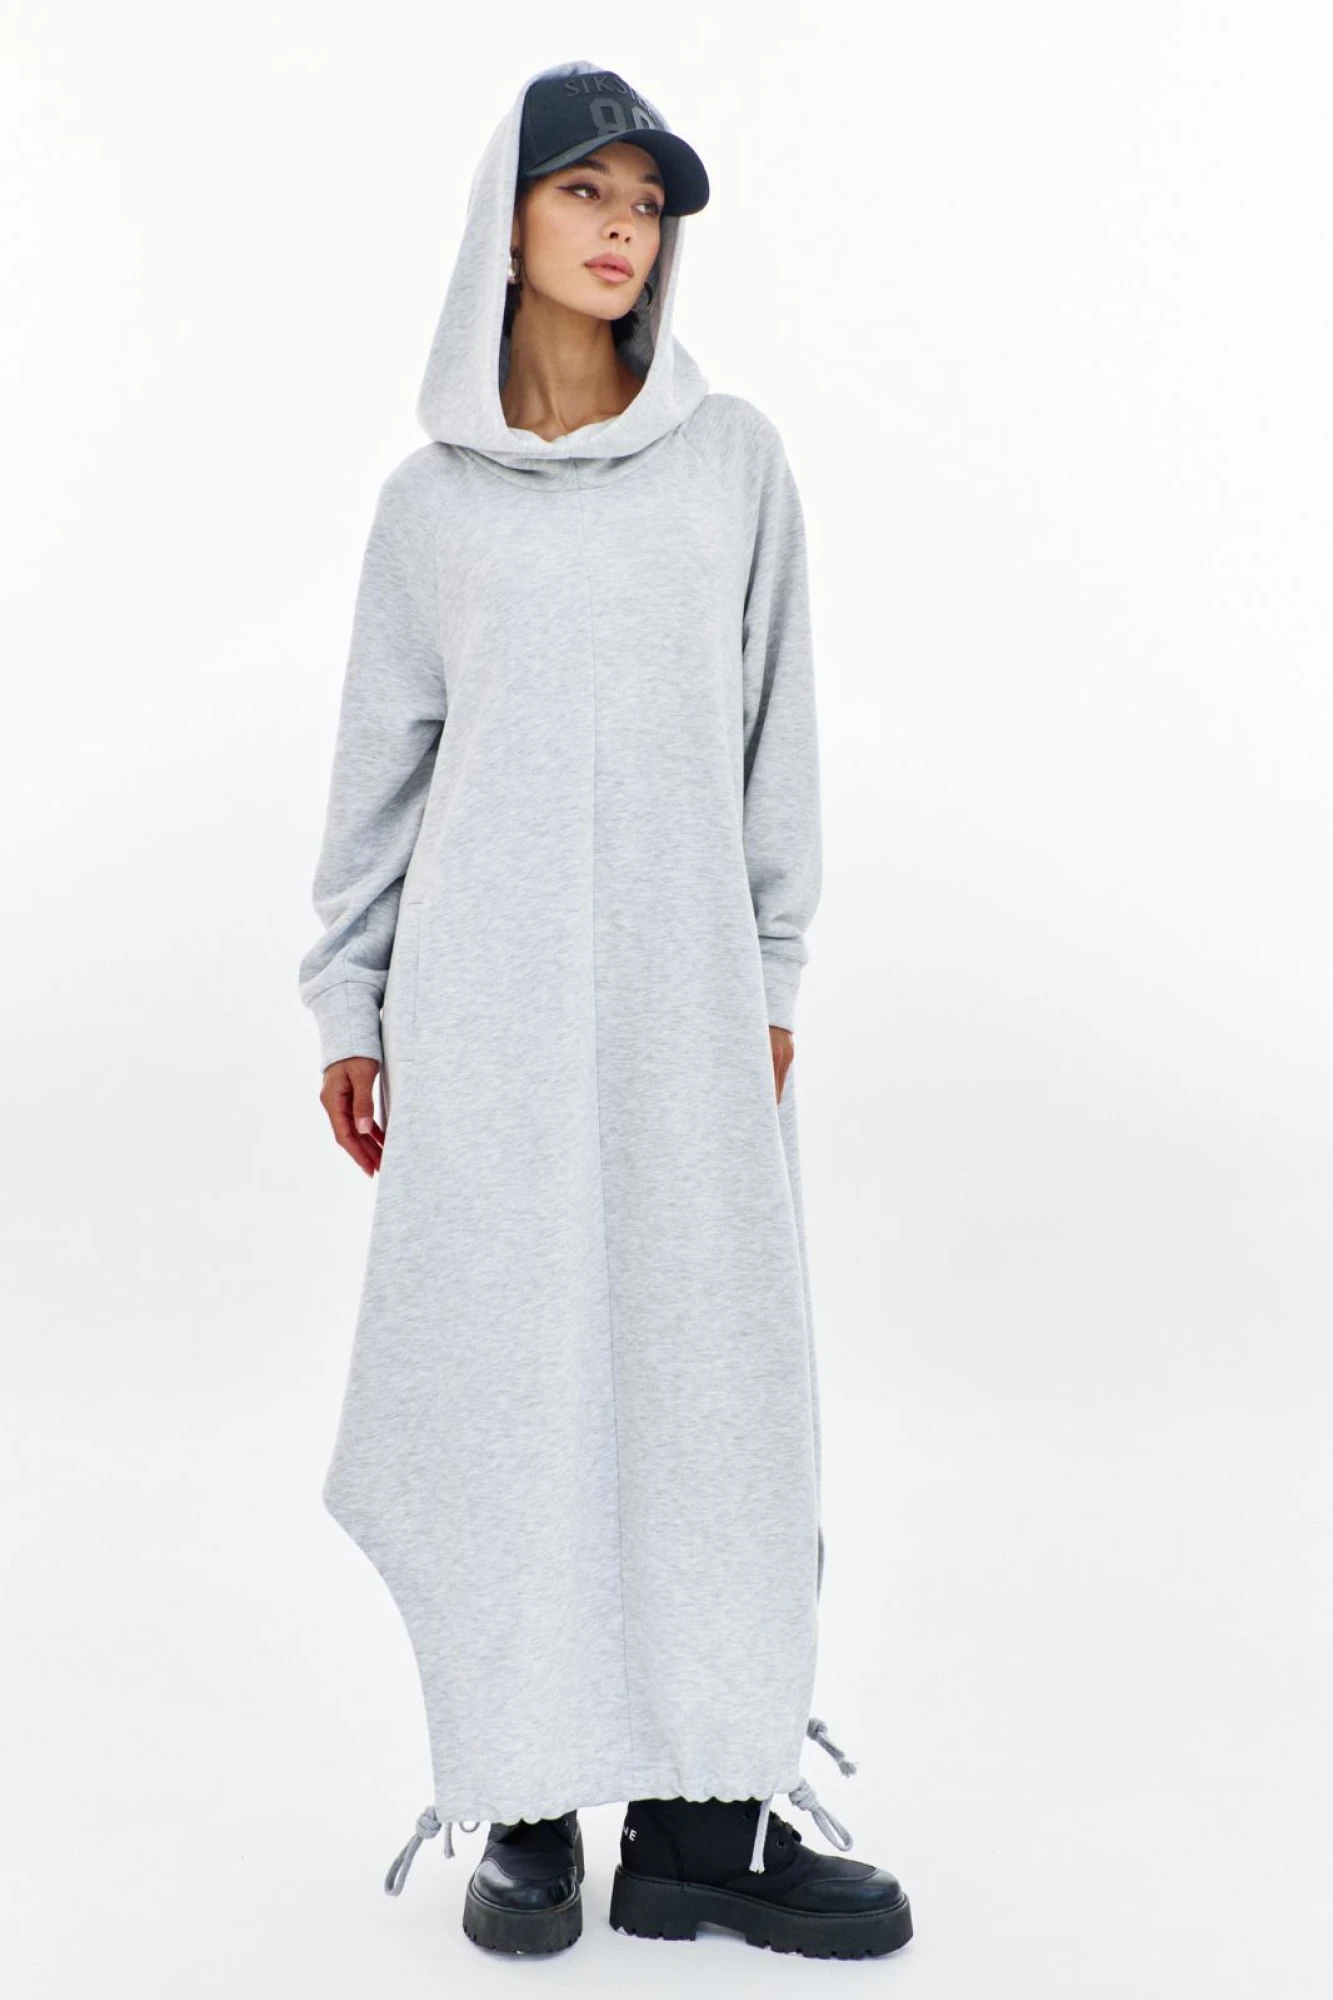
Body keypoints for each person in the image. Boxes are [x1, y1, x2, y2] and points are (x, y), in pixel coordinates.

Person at [297, 58, 913, 1962]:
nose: (624, 225)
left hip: (688, 1003)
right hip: (484, 1017)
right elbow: (380, 779)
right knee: (508, 1384)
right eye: (587, 189)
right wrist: (349, 1006)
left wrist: (774, 970)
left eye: (647, 200)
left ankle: (704, 1817)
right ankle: (523, 1804)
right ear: (507, 219)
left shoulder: (736, 469)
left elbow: (775, 735)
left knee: (716, 1385)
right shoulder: (429, 509)